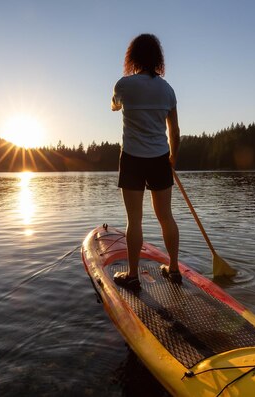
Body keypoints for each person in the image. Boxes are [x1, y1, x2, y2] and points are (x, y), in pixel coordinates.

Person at [111, 33, 181, 289]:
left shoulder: (122, 85)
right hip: (160, 159)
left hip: (132, 159)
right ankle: (173, 269)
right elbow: (174, 132)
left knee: (134, 220)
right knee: (166, 217)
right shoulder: (168, 90)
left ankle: (132, 276)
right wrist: (173, 157)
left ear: (133, 57)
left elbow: (114, 105)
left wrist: (117, 103)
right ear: (157, 58)